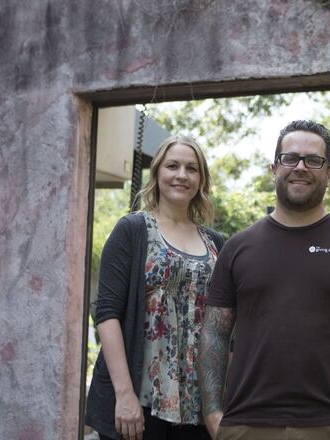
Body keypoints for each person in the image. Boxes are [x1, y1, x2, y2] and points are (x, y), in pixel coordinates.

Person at [199, 120, 330, 440]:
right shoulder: (237, 248)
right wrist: (214, 416)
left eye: (313, 160)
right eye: (291, 158)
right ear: (274, 168)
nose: (300, 167)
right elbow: (215, 332)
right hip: (246, 425)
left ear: (329, 173)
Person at [85, 135, 225, 440]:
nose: (181, 175)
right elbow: (107, 314)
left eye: (191, 168)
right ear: (158, 172)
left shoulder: (215, 242)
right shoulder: (132, 230)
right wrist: (124, 395)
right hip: (142, 401)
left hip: (198, 405)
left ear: (201, 179)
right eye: (172, 166)